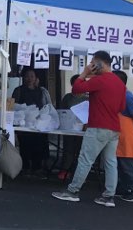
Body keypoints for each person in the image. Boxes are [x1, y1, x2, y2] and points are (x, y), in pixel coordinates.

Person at [52, 51, 126, 207]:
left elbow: (76, 89)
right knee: (110, 162)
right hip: (114, 128)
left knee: (85, 159)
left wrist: (85, 73)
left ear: (100, 64)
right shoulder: (119, 83)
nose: (91, 65)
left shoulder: (99, 80)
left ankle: (73, 191)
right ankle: (109, 196)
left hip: (98, 126)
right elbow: (122, 107)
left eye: (93, 63)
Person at [12, 68, 52, 173]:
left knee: (39, 143)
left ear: (36, 78)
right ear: (23, 78)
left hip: (38, 123)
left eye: (32, 76)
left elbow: (46, 106)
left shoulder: (41, 91)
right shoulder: (18, 90)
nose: (29, 79)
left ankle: (37, 167)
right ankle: (25, 166)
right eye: (27, 76)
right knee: (25, 144)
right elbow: (13, 106)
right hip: (23, 123)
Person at [114, 70, 133, 203]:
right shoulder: (118, 95)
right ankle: (123, 188)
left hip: (127, 136)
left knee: (129, 166)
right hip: (119, 136)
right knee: (120, 165)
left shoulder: (127, 96)